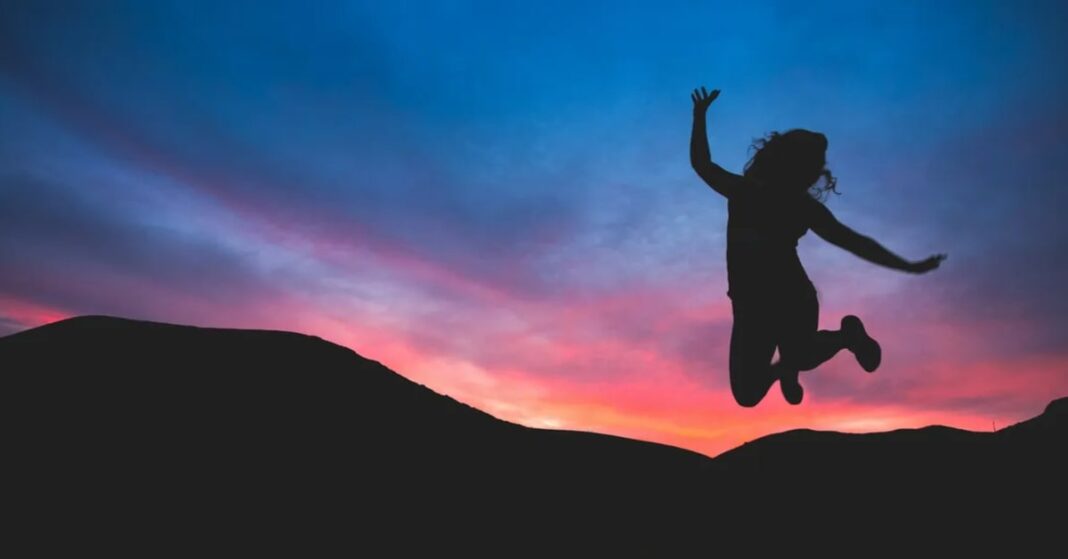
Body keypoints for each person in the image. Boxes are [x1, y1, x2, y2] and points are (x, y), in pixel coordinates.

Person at [689, 86, 946, 407]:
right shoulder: (746, 191)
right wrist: (699, 117)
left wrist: (908, 266)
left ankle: (845, 337)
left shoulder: (798, 206)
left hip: (790, 296)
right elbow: (702, 164)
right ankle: (786, 369)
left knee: (801, 353)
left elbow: (852, 241)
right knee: (747, 393)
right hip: (749, 304)